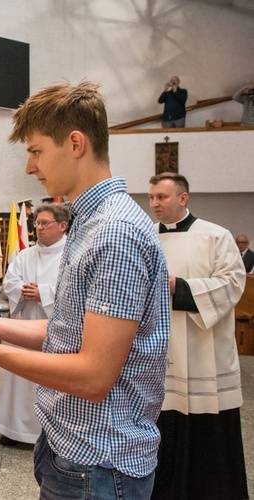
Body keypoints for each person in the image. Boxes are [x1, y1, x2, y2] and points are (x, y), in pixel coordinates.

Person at [0, 81, 170, 499]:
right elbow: (67, 333)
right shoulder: (89, 222)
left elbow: (94, 376)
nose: (30, 167)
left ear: (75, 143)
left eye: (35, 151)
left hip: (99, 460)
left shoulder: (115, 233)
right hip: (71, 445)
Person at [147, 172, 249, 500]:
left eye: (161, 197)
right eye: (151, 198)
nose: (154, 204)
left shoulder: (215, 236)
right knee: (164, 428)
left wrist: (182, 287)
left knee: (209, 439)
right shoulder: (146, 237)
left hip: (205, 349)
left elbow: (234, 283)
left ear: (183, 198)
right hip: (160, 348)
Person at [0, 202, 69, 447]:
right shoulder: (26, 255)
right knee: (22, 378)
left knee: (49, 380)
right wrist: (23, 291)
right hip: (26, 324)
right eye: (37, 223)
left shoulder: (71, 254)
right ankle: (16, 431)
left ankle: (48, 435)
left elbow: (76, 292)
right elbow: (9, 283)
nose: (39, 228)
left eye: (44, 223)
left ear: (62, 225)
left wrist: (44, 293)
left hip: (55, 329)